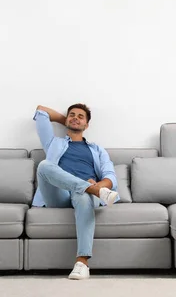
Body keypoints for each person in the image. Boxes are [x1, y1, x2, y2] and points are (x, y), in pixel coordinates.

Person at [32, 103, 119, 280]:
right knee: (43, 166)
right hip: (58, 193)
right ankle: (91, 189)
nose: (75, 118)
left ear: (87, 125)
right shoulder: (53, 143)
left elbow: (111, 177)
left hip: (84, 196)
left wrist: (100, 185)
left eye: (81, 117)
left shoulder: (97, 149)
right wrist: (95, 188)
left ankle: (82, 263)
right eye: (72, 115)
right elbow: (41, 111)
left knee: (84, 196)